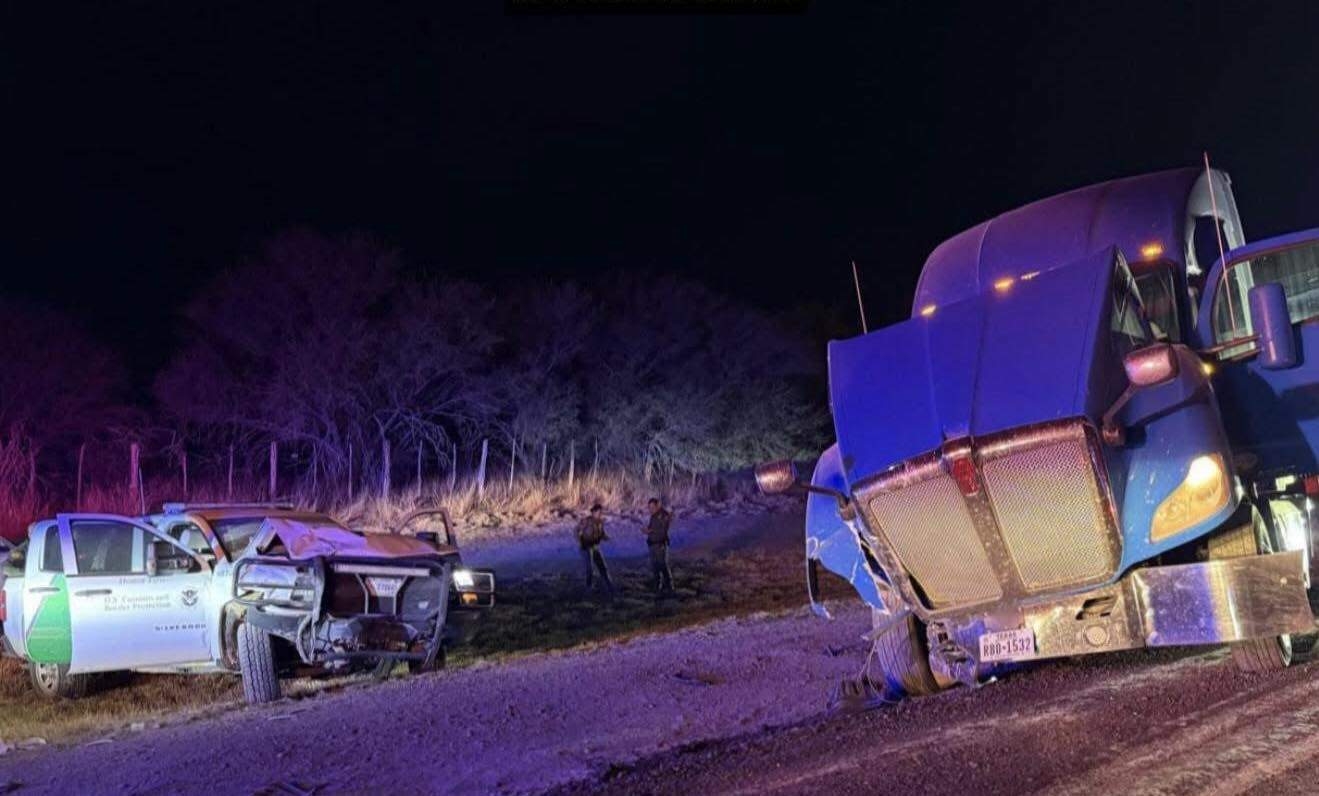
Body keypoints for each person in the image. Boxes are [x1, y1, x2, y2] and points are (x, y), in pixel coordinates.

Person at [574, 504, 613, 593]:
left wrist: (607, 538)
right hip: (586, 547)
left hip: (595, 547)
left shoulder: (600, 522)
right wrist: (580, 541)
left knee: (603, 567)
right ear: (593, 512)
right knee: (590, 568)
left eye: (601, 512)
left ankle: (609, 586)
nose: (600, 514)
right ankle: (589, 587)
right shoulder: (586, 521)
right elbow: (576, 530)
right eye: (598, 512)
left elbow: (602, 534)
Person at [640, 497, 674, 595]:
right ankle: (658, 587)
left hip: (660, 545)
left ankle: (669, 587)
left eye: (652, 507)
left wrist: (649, 531)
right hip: (652, 545)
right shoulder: (654, 516)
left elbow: (663, 527)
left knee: (663, 566)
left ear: (658, 505)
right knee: (655, 567)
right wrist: (647, 530)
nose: (650, 510)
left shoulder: (663, 515)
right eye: (649, 508)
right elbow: (653, 528)